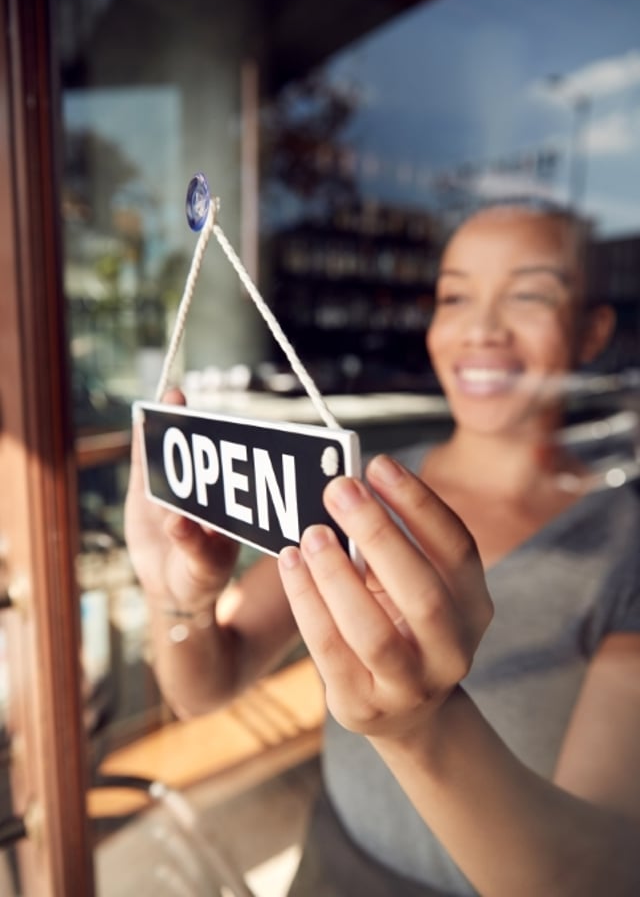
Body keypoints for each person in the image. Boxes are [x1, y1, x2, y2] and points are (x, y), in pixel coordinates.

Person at [125, 202, 640, 896]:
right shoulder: (357, 492)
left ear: (592, 331)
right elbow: (207, 685)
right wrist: (178, 601)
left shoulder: (621, 546)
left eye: (529, 295)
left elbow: (596, 876)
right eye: (455, 295)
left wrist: (420, 728)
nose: (482, 328)